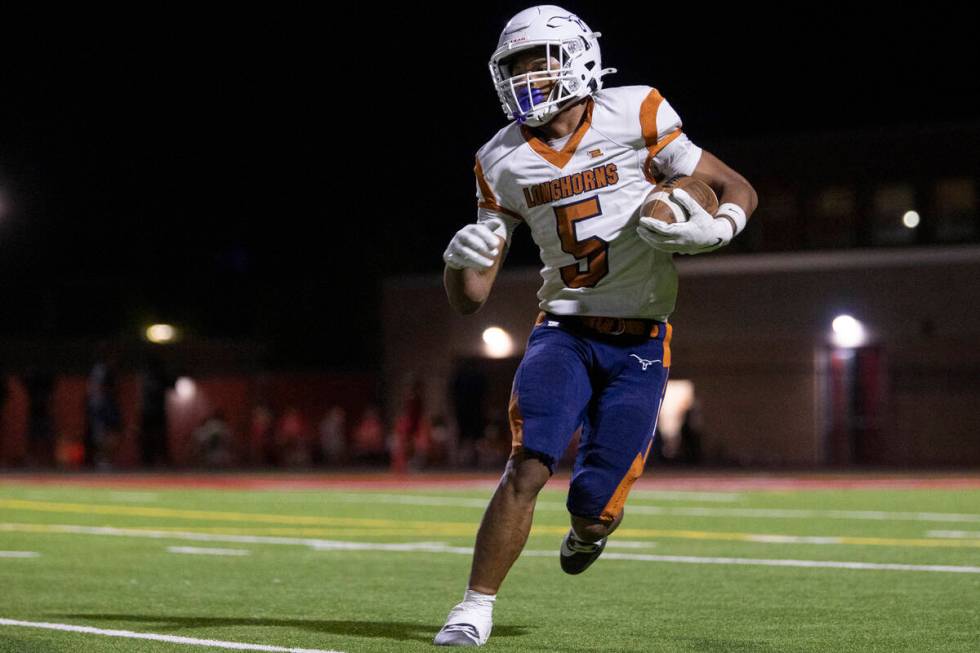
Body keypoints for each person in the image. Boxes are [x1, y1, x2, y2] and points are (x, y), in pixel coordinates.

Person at [433, 5, 758, 647]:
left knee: (595, 504)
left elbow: (733, 185)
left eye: (540, 61)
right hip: (564, 329)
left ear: (580, 58)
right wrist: (455, 263)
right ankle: (473, 607)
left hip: (640, 339)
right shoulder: (498, 159)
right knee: (528, 464)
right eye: (516, 66)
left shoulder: (636, 111)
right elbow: (470, 298)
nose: (527, 77)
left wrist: (714, 226)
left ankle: (587, 529)